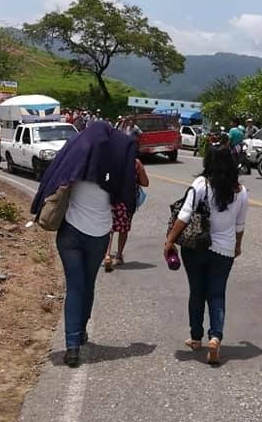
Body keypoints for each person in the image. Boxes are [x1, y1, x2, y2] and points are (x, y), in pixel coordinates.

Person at [30, 121, 137, 368]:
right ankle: (81, 331)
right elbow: (129, 194)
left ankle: (72, 346)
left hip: (70, 234)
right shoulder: (114, 172)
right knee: (88, 285)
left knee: (75, 288)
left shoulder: (75, 165)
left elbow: (53, 177)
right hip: (99, 237)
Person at [164, 144, 248, 365]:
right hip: (224, 250)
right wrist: (237, 246)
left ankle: (195, 337)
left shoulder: (202, 184)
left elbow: (184, 215)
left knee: (197, 292)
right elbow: (240, 225)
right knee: (217, 294)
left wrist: (170, 240)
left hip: (196, 248)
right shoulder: (241, 191)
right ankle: (215, 338)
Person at [104, 157, 149, 271]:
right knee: (124, 229)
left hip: (111, 199)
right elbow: (145, 182)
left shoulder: (110, 159)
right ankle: (119, 256)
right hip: (127, 201)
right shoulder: (135, 163)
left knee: (109, 228)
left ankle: (107, 255)